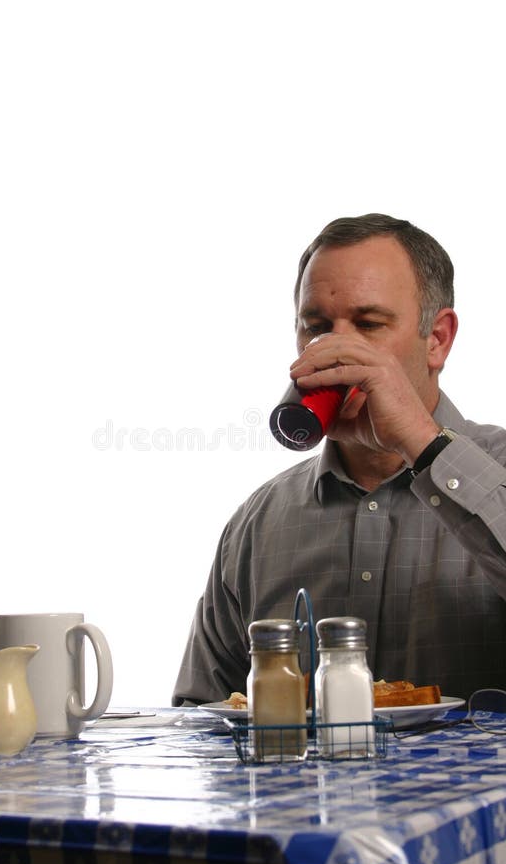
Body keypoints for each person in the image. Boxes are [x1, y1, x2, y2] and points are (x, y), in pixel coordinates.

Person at [173, 212, 506, 706]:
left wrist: (419, 439)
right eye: (316, 327)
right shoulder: (257, 522)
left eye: (368, 324)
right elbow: (201, 718)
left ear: (437, 339)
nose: (335, 347)